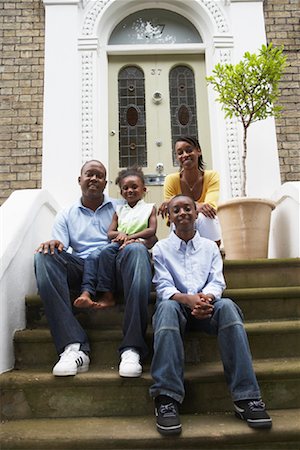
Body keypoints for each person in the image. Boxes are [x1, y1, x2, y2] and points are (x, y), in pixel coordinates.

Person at [150, 194, 272, 435]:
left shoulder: (210, 248)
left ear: (196, 214)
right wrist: (188, 299)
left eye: (188, 208)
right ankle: (167, 399)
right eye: (176, 210)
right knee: (165, 308)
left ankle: (246, 398)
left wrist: (206, 300)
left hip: (208, 309)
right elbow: (163, 287)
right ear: (170, 218)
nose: (183, 213)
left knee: (227, 306)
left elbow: (217, 282)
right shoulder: (161, 249)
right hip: (176, 309)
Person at [34, 160, 152, 378]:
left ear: (105, 183)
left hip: (115, 266)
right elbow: (60, 247)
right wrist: (52, 244)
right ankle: (73, 347)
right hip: (82, 269)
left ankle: (132, 348)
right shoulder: (66, 214)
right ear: (80, 180)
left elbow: (146, 227)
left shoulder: (122, 207)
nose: (94, 179)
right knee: (44, 257)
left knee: (137, 251)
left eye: (99, 175)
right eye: (89, 174)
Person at [74, 166, 157, 312]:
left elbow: (151, 230)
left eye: (134, 187)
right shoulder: (119, 209)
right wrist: (120, 236)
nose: (129, 190)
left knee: (119, 253)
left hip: (138, 245)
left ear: (144, 190)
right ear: (121, 192)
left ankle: (110, 296)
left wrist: (130, 237)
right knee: (95, 255)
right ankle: (93, 293)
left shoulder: (149, 208)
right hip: (118, 244)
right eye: (125, 188)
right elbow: (110, 233)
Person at [158, 136, 221, 245]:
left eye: (189, 150)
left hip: (205, 223)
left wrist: (176, 201)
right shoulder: (171, 180)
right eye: (180, 153)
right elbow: (172, 212)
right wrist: (197, 205)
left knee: (204, 216)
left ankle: (213, 249)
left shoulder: (211, 176)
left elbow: (209, 207)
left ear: (198, 151)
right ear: (177, 157)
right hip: (182, 225)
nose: (185, 155)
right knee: (181, 217)